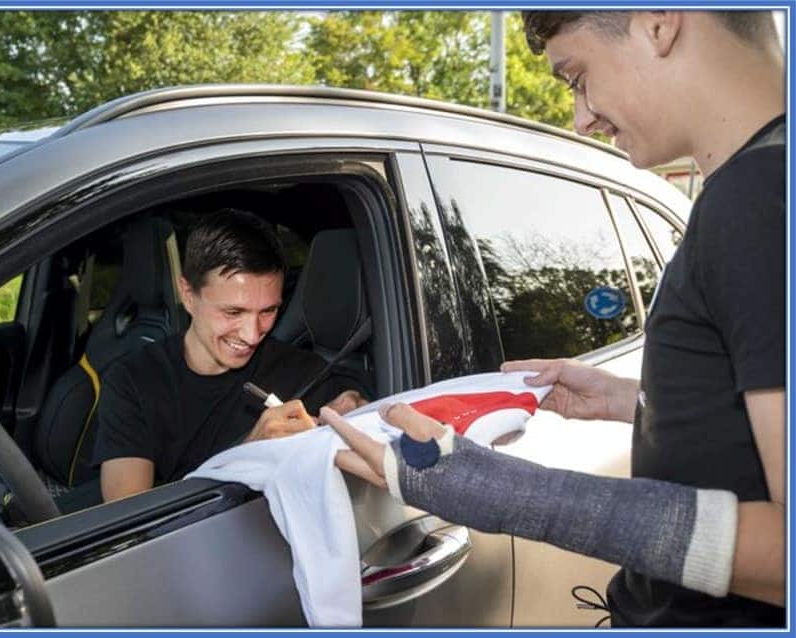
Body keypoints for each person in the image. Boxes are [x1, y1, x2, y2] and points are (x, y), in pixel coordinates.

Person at [326, 10, 784, 627]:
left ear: (658, 21)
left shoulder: (758, 199)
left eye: (576, 76)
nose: (582, 118)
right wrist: (637, 400)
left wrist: (505, 493)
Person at [95, 209, 369, 502]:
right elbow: (130, 526)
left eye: (268, 311)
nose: (252, 334)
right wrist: (249, 453)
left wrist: (356, 407)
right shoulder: (132, 381)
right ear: (188, 295)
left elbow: (363, 416)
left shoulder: (305, 374)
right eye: (233, 312)